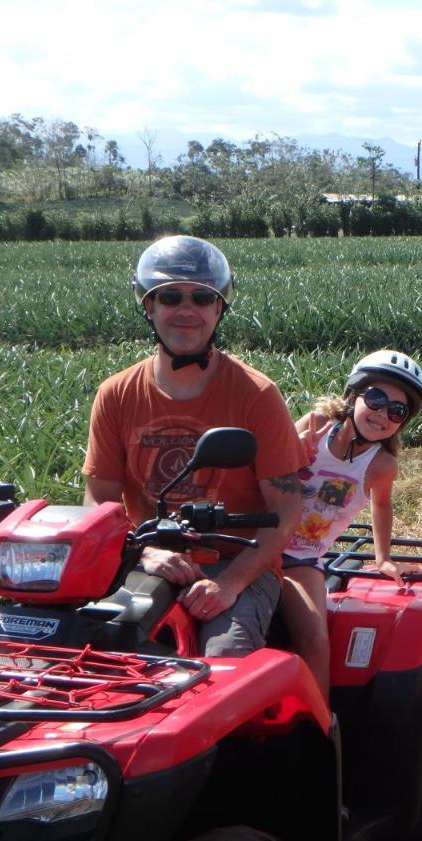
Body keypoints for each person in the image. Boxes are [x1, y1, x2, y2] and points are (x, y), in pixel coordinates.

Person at [83, 235, 306, 657]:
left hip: (235, 561)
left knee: (223, 661)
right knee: (88, 646)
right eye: (169, 297)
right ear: (148, 307)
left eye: (201, 299)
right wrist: (143, 551)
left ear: (219, 308)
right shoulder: (116, 394)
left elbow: (284, 510)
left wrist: (230, 583)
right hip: (146, 557)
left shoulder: (256, 395)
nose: (186, 310)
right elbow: (101, 500)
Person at [280, 350, 422, 700]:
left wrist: (383, 558)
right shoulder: (316, 424)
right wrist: (292, 450)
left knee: (315, 639)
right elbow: (267, 467)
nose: (382, 414)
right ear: (354, 395)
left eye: (396, 411)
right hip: (260, 538)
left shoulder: (381, 465)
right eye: (376, 399)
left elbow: (382, 503)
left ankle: (320, 729)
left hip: (301, 557)